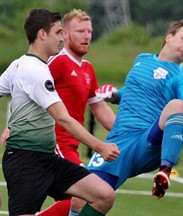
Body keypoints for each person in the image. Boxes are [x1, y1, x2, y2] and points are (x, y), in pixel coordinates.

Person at [72, 18, 183, 214]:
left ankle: (165, 171)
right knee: (81, 198)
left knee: (176, 105)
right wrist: (115, 94)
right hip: (119, 141)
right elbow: (133, 91)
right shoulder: (142, 59)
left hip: (148, 140)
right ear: (168, 37)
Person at [0, 8, 119, 216]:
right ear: (42, 34)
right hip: (25, 161)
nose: (61, 39)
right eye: (57, 33)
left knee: (104, 195)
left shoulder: (21, 64)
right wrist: (99, 146)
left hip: (48, 160)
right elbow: (63, 118)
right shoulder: (35, 70)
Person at [36, 9, 116, 216]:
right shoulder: (58, 61)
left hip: (71, 145)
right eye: (80, 31)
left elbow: (98, 107)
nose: (87, 35)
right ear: (65, 34)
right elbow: (30, 90)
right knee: (82, 197)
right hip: (53, 142)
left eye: (89, 31)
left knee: (76, 201)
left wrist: (128, 132)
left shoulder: (88, 69)